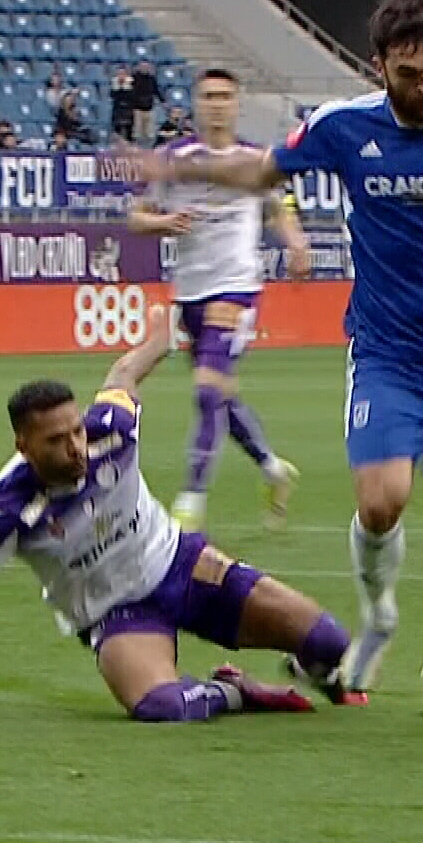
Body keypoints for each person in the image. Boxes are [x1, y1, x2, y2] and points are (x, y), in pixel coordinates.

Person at [126, 0, 423, 731]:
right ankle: (378, 610)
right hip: (386, 349)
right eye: (410, 73)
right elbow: (259, 174)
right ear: (378, 66)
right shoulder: (344, 127)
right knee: (381, 500)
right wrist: (178, 171)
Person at [0, 305, 354, 727]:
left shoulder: (111, 430)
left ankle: (311, 667)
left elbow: (123, 375)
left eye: (75, 431)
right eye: (56, 440)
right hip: (119, 615)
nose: (75, 447)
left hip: (183, 566)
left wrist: (160, 336)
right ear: (23, 446)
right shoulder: (8, 511)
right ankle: (239, 692)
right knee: (163, 706)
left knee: (331, 642)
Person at [129, 68, 307, 536]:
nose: (216, 104)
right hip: (190, 290)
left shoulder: (256, 160)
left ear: (237, 103)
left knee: (208, 390)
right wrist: (165, 222)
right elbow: (136, 218)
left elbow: (279, 208)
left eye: (225, 96)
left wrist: (295, 242)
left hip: (237, 286)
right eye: (208, 96)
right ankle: (272, 468)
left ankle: (191, 502)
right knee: (220, 397)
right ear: (195, 103)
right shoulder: (174, 157)